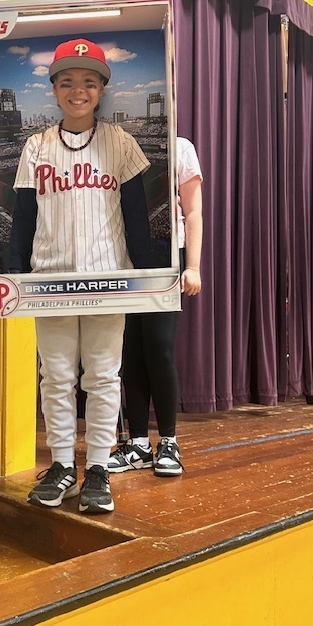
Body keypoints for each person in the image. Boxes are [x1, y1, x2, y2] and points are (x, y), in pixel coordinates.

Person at [9, 38, 151, 513]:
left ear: (102, 89)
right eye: (67, 81)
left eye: (89, 81)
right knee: (56, 376)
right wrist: (13, 282)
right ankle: (63, 464)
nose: (78, 90)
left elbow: (136, 219)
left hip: (109, 278)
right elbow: (23, 219)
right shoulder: (36, 146)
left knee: (104, 377)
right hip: (49, 279)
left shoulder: (121, 142)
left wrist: (152, 282)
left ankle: (97, 468)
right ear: (54, 88)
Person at [107, 137, 203, 476]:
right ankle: (137, 444)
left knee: (159, 347)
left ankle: (168, 441)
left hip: (166, 256)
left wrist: (192, 266)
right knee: (131, 350)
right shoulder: (117, 147)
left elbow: (193, 211)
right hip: (127, 258)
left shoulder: (181, 147)